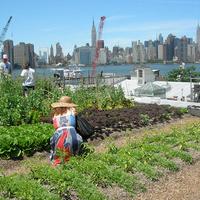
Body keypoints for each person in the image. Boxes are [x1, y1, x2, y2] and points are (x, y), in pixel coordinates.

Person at [50, 96, 83, 166]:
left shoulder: (55, 115)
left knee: (53, 142)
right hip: (72, 135)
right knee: (78, 140)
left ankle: (57, 160)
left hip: (58, 136)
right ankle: (74, 157)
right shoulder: (72, 111)